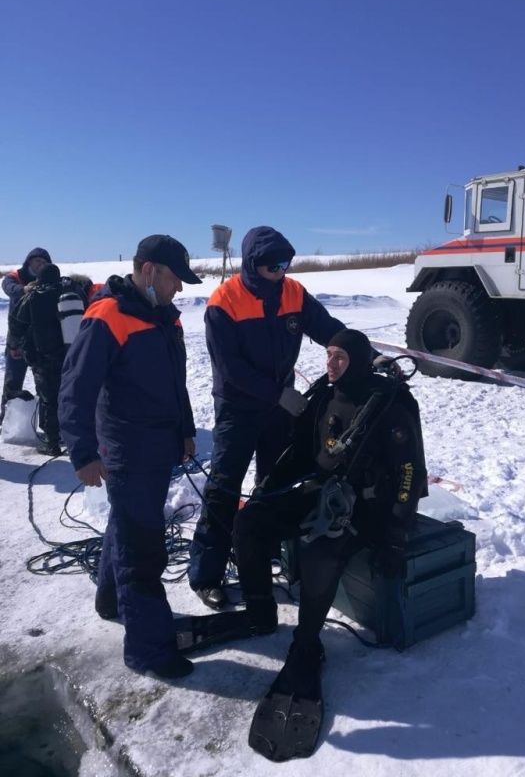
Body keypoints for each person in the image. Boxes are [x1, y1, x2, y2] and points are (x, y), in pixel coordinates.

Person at [183, 329, 428, 759]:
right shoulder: (324, 396)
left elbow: (409, 478)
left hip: (364, 511)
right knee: (250, 524)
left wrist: (395, 539)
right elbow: (301, 452)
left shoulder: (387, 408)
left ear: (357, 359)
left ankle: (307, 643)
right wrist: (268, 487)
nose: (331, 364)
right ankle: (260, 612)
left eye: (340, 358)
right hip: (320, 493)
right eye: (329, 355)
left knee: (320, 550)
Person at [58, 234, 201, 679]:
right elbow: (74, 389)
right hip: (127, 450)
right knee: (143, 551)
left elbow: (176, 384)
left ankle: (112, 600)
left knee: (127, 528)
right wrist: (81, 451)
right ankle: (149, 650)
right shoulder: (108, 317)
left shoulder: (164, 318)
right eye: (175, 278)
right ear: (149, 271)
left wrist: (187, 430)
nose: (179, 288)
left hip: (160, 445)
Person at [187, 225, 348, 611]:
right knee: (224, 488)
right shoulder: (223, 302)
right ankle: (206, 575)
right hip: (238, 408)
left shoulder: (293, 292)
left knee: (274, 482)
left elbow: (327, 328)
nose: (281, 270)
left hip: (280, 408)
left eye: (286, 262)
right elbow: (231, 370)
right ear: (252, 264)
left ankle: (261, 548)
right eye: (273, 264)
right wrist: (278, 394)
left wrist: (352, 350)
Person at [7, 263, 84, 456]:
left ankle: (52, 443)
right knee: (71, 395)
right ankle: (75, 436)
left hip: (43, 357)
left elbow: (17, 323)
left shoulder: (33, 296)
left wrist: (15, 346)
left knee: (49, 398)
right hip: (72, 355)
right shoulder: (72, 294)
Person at [1, 247, 52, 427]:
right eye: (37, 261)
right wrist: (24, 290)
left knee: (45, 384)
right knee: (13, 381)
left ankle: (46, 425)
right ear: (29, 262)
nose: (40, 265)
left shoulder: (47, 280)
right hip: (18, 340)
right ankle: (5, 421)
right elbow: (8, 288)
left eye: (45, 262)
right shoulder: (14, 277)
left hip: (40, 341)